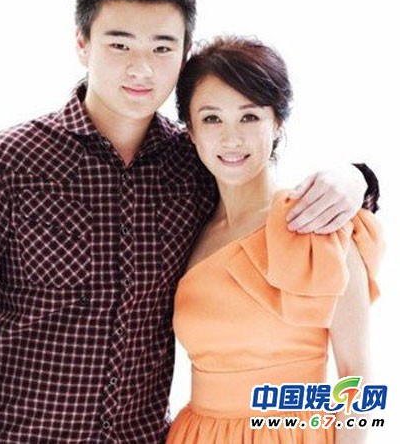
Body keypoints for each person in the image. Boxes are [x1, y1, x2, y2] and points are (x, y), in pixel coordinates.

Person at [0, 0, 379, 443]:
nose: (142, 69)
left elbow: (270, 209)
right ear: (82, 44)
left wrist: (359, 178)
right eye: (120, 45)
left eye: (161, 47)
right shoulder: (9, 163)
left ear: (183, 52)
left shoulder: (193, 164)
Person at [165, 36, 385, 444]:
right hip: (197, 434)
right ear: (190, 131)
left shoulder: (320, 223)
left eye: (249, 117)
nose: (231, 138)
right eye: (212, 119)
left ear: (277, 122)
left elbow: (356, 374)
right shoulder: (187, 232)